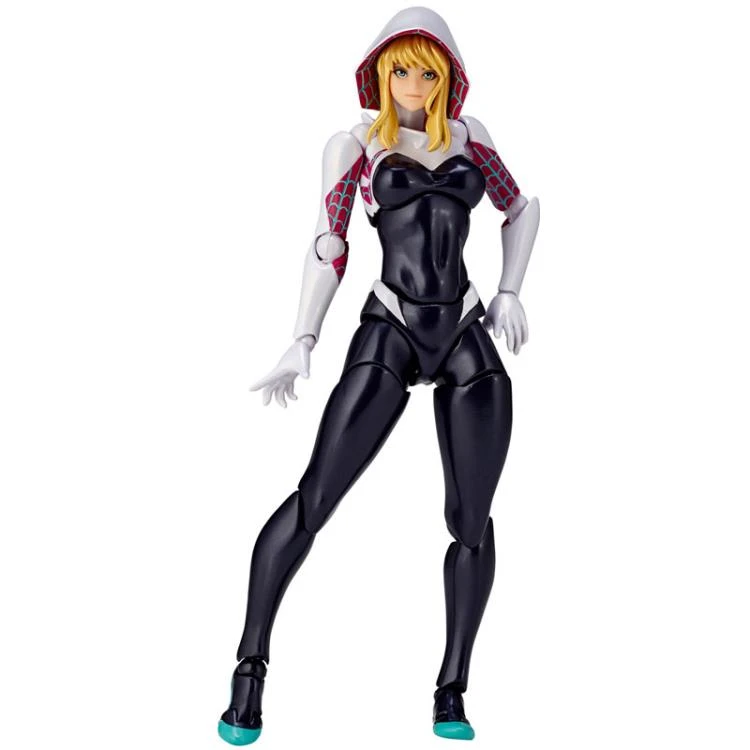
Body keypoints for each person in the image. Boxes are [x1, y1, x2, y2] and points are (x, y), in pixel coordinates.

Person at [218, 6, 540, 744]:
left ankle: (452, 689)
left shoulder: (471, 139)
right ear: (380, 75)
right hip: (391, 324)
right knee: (315, 499)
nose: (415, 85)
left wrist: (512, 289)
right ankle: (249, 668)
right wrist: (303, 337)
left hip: (463, 324)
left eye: (429, 72)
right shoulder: (357, 146)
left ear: (448, 76)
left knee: (472, 522)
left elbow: (520, 209)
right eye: (402, 71)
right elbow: (328, 242)